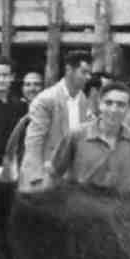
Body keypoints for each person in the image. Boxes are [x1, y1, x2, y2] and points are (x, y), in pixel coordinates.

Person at [50, 80, 130, 193]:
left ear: (128, 109)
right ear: (99, 104)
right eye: (108, 103)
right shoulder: (77, 136)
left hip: (127, 208)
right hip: (86, 208)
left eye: (121, 105)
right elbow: (54, 173)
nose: (114, 110)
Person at [20, 50, 93, 190]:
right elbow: (34, 142)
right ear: (69, 70)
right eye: (83, 72)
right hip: (47, 175)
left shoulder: (83, 99)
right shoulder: (46, 99)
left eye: (89, 73)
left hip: (73, 177)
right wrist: (36, 178)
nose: (88, 77)